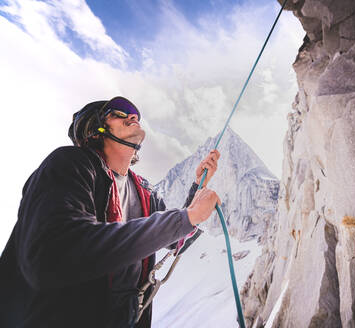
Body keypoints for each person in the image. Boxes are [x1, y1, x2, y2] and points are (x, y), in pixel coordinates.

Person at [0, 96, 221, 327]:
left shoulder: (144, 192)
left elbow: (180, 240)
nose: (133, 117)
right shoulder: (69, 164)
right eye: (121, 112)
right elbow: (55, 251)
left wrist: (197, 189)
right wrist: (185, 218)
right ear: (95, 128)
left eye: (136, 114)